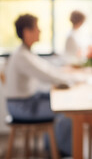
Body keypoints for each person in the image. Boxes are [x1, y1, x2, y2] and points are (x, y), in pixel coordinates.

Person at [5, 14, 80, 157]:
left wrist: (69, 76)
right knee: (68, 111)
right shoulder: (22, 56)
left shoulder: (26, 52)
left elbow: (47, 68)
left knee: (60, 102)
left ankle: (53, 147)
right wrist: (73, 80)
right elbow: (47, 76)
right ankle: (61, 151)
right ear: (27, 31)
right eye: (37, 28)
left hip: (27, 101)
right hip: (22, 107)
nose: (40, 31)